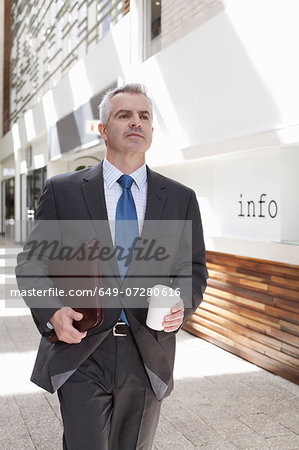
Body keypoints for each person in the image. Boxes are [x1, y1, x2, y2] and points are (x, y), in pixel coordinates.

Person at [16, 83, 208, 449]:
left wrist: (182, 303)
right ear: (103, 130)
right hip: (83, 349)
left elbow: (193, 268)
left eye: (144, 116)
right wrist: (52, 311)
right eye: (125, 115)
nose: (136, 122)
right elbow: (31, 262)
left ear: (151, 131)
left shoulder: (181, 199)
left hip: (148, 349)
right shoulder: (64, 191)